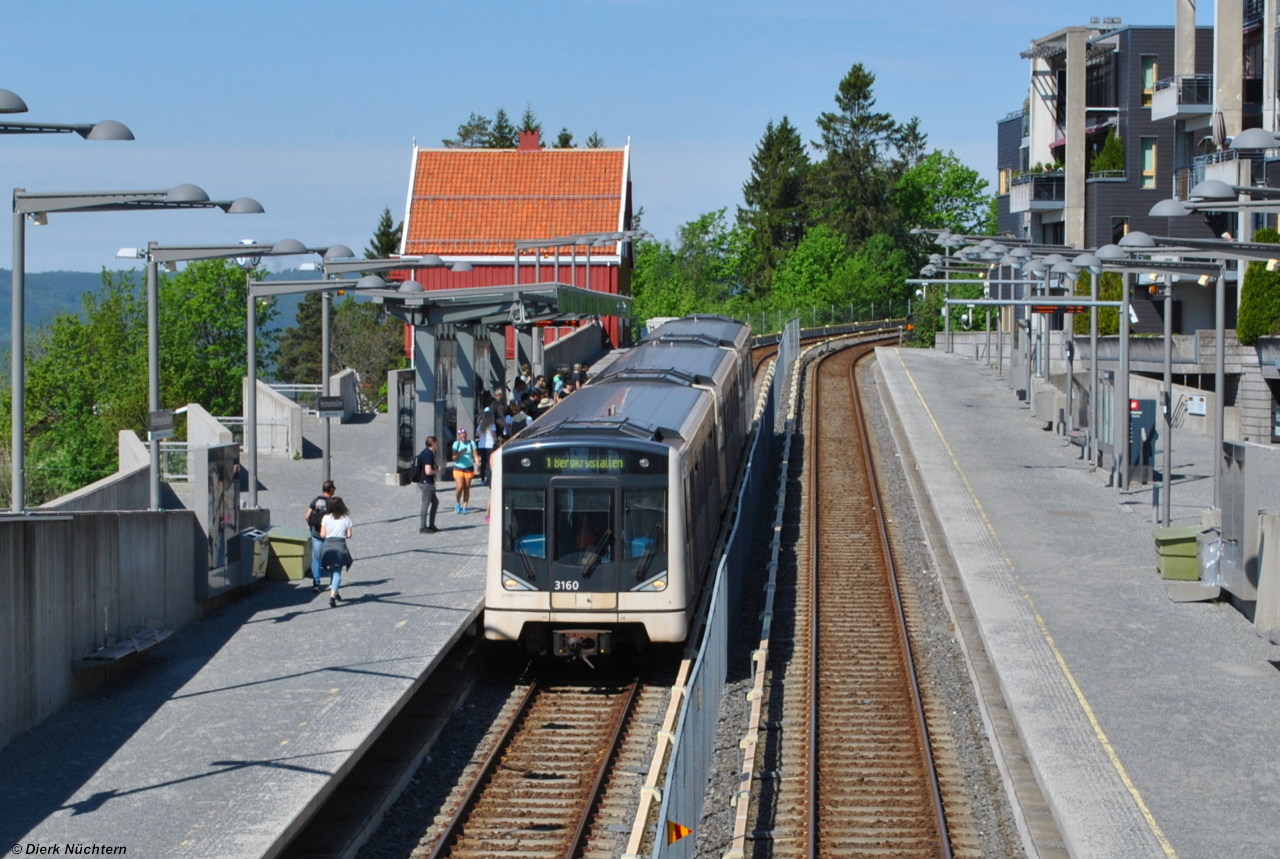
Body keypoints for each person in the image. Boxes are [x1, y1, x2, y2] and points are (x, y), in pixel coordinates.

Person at [319, 497, 353, 608]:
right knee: (338, 571)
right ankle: (333, 596)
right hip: (340, 545)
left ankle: (335, 591)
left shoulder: (326, 518)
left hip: (328, 545)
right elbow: (349, 535)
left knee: (331, 569)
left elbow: (322, 535)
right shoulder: (346, 519)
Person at [305, 480, 336, 593]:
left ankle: (316, 583)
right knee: (333, 558)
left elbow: (307, 515)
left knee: (316, 558)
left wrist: (311, 526)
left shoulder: (316, 500)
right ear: (331, 489)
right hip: (329, 535)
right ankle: (333, 582)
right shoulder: (334, 502)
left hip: (316, 533)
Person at [416, 436, 440, 533]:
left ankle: (431, 525)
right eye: (436, 443)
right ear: (433, 443)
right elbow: (428, 471)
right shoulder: (428, 454)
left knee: (435, 502)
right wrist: (437, 470)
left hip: (425, 482)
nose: (437, 445)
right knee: (425, 505)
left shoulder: (426, 452)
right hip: (426, 483)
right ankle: (423, 527)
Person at [451, 428, 479, 514]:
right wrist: (460, 452)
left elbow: (475, 455)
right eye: (462, 437)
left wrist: (478, 465)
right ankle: (457, 503)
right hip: (458, 467)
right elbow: (453, 458)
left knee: (467, 487)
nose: (464, 438)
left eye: (465, 437)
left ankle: (465, 506)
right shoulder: (456, 444)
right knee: (460, 486)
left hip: (469, 467)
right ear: (459, 437)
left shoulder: (471, 443)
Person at [477, 409, 498, 485]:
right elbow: (494, 435)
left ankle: (482, 479)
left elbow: (477, 434)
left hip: (481, 445)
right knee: (490, 462)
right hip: (490, 444)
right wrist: (496, 441)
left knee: (483, 462)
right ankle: (489, 478)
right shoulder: (492, 425)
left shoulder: (480, 425)